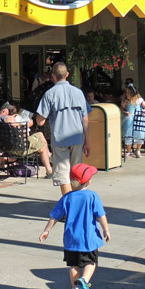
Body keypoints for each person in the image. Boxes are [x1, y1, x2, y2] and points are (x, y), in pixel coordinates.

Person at [39, 163, 111, 289]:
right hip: (88, 239)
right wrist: (106, 229)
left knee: (74, 266)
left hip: (71, 240)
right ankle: (84, 281)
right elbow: (101, 215)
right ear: (88, 181)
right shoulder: (92, 196)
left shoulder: (67, 198)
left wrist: (46, 230)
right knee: (91, 262)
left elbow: (54, 216)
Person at [36, 62, 90, 195]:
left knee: (63, 177)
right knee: (77, 174)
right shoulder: (78, 93)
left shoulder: (49, 94)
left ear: (53, 76)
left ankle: (69, 208)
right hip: (77, 139)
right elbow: (86, 119)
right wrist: (87, 141)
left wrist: (37, 114)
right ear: (67, 75)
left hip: (60, 140)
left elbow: (40, 121)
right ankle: (78, 206)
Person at [3, 104, 54, 178]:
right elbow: (19, 133)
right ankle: (49, 170)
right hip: (19, 148)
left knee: (40, 134)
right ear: (5, 111)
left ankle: (49, 155)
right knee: (42, 145)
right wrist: (26, 125)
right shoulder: (10, 119)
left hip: (9, 148)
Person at [121, 83, 145, 158]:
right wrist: (125, 112)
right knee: (128, 134)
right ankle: (128, 150)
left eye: (128, 93)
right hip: (129, 119)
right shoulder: (126, 101)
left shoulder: (139, 100)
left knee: (140, 133)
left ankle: (138, 149)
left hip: (137, 119)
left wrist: (143, 111)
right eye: (126, 93)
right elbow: (122, 109)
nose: (126, 94)